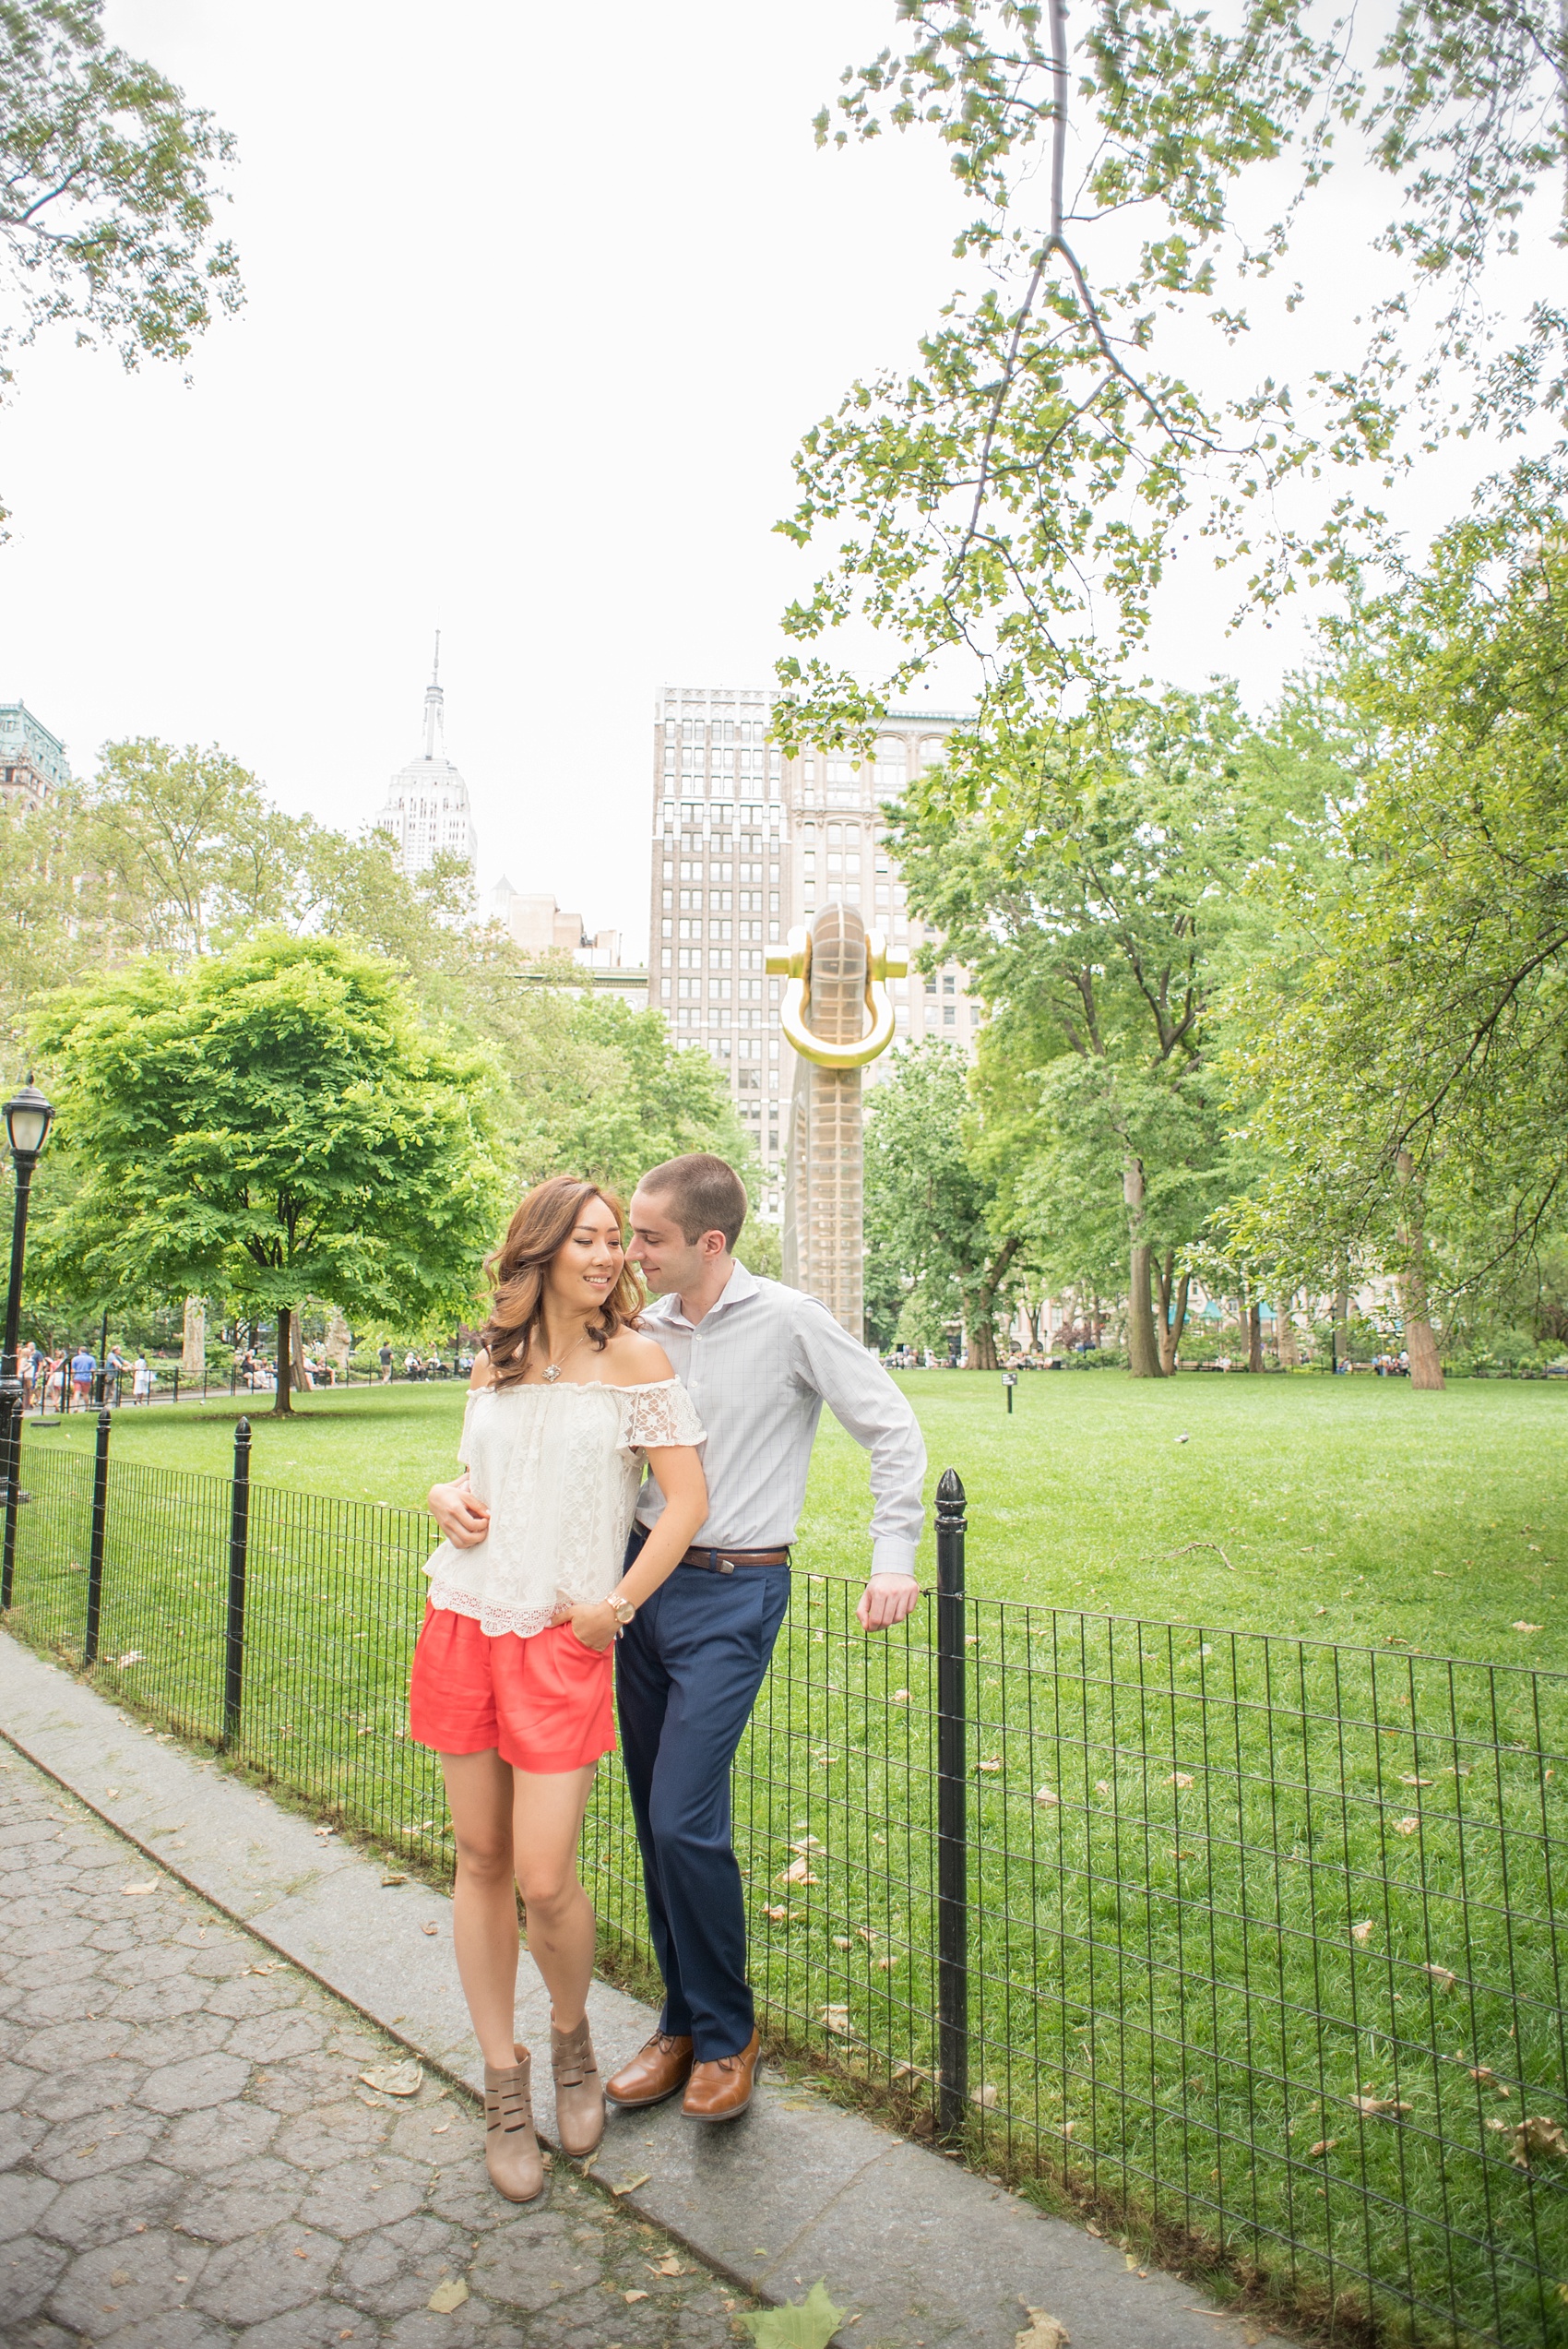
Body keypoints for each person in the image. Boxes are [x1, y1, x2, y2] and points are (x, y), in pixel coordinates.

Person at [614, 1154, 924, 2122]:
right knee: (648, 1817)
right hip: (636, 1589)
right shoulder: (638, 1331)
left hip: (733, 1593)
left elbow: (890, 1427)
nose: (631, 1252)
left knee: (681, 1818)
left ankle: (726, 2031)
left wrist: (893, 1552)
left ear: (710, 1242)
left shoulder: (790, 1318)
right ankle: (676, 2020)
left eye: (648, 1237)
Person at [418, 1176, 707, 2204]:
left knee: (545, 1876)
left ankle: (572, 2034)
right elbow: (468, 1474)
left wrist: (617, 1605)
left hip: (559, 1640)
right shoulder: (492, 1358)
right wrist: (442, 1494)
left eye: (610, 1243)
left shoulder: (634, 1359)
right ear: (537, 1250)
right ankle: (503, 2081)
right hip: (463, 1620)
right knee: (480, 1856)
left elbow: (685, 1500)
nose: (606, 1256)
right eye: (584, 1240)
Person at [69, 1343, 96, 1412]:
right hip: (86, 1378)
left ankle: (76, 1407)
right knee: (85, 1393)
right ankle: (87, 1407)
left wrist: (72, 1377)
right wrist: (93, 1378)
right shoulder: (91, 1359)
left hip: (77, 1377)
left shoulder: (75, 1359)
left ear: (79, 1351)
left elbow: (73, 1370)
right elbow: (93, 1370)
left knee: (77, 1392)